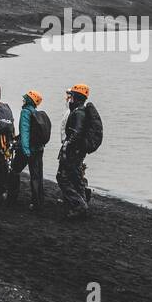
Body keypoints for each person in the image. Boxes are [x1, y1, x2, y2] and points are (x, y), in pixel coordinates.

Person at [57, 83, 100, 219]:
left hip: (73, 152)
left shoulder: (79, 112)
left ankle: (79, 205)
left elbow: (77, 132)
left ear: (76, 96)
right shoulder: (79, 110)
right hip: (77, 151)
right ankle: (81, 205)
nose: (70, 98)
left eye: (72, 95)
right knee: (76, 179)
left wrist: (67, 145)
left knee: (62, 177)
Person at [7, 90, 49, 209]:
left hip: (26, 149)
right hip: (38, 149)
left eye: (25, 98)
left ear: (29, 100)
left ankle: (11, 198)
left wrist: (25, 149)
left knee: (15, 171)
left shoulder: (25, 112)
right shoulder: (36, 114)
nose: (23, 100)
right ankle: (37, 203)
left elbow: (25, 131)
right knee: (36, 176)